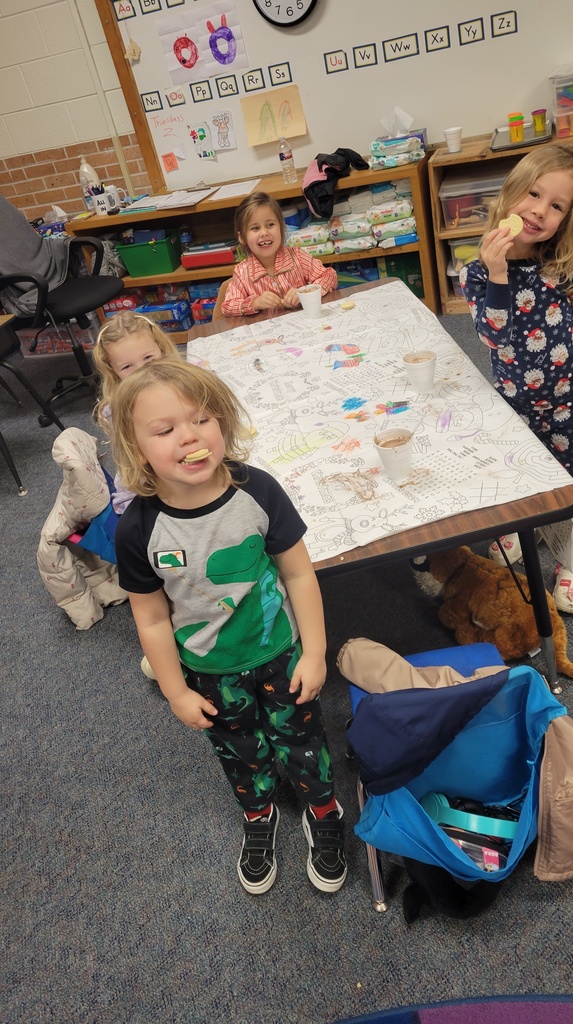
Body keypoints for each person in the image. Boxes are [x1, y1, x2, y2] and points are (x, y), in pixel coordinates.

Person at [111, 358, 347, 895]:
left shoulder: (256, 490)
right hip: (210, 671)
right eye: (165, 430)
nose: (189, 437)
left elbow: (298, 573)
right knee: (239, 749)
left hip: (279, 651)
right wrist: (174, 692)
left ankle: (322, 806)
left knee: (302, 737)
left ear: (223, 423)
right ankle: (259, 814)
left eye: (202, 419)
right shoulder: (137, 528)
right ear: (136, 447)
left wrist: (314, 651)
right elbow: (149, 618)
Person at [460, 142, 573, 612]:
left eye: (556, 206)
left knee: (570, 480)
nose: (539, 211)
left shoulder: (561, 267)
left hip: (568, 401)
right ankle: (514, 530)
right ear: (510, 194)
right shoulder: (478, 272)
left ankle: (569, 560)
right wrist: (498, 272)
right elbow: (494, 335)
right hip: (516, 404)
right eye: (532, 194)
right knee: (517, 477)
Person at [93, 310, 180, 514]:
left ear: (161, 348)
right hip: (148, 484)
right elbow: (138, 467)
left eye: (148, 358)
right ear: (112, 369)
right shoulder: (117, 411)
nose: (142, 370)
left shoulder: (181, 384)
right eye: (127, 366)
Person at [221, 191, 338, 316]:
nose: (264, 233)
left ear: (281, 228)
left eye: (270, 225)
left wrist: (306, 292)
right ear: (242, 237)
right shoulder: (242, 272)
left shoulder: (298, 256)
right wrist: (255, 303)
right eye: (255, 228)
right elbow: (227, 306)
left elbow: (329, 276)